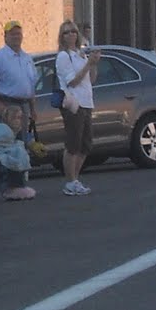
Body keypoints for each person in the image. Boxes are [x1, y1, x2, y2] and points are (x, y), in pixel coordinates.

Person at [54, 20, 99, 196]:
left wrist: (93, 64)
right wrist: (88, 65)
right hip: (73, 103)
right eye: (66, 32)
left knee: (86, 143)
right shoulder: (64, 56)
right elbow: (71, 81)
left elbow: (91, 79)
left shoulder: (80, 54)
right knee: (73, 143)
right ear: (62, 37)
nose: (71, 35)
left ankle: (75, 178)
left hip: (87, 101)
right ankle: (70, 181)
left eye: (73, 31)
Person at [0, 21, 37, 129]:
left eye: (18, 33)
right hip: (7, 106)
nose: (16, 36)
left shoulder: (27, 58)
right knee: (8, 141)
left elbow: (31, 85)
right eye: (12, 34)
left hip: (24, 107)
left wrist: (32, 109)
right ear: (5, 37)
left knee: (24, 142)